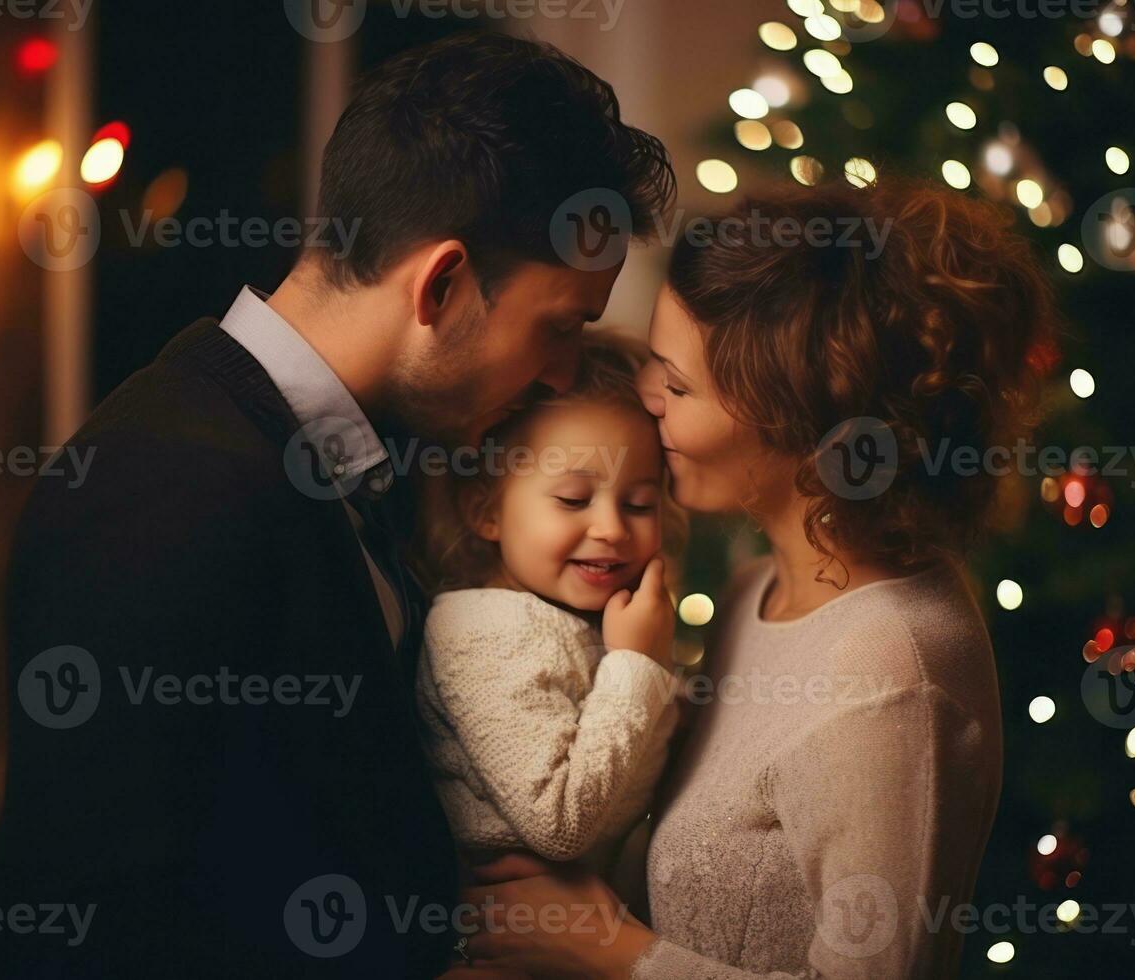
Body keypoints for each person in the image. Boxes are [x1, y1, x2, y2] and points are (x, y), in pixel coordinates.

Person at [1, 31, 673, 979]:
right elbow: (98, 926)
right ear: (440, 284)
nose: (562, 374)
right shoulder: (166, 484)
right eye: (557, 328)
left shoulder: (358, 450)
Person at [450, 178, 1059, 979]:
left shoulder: (890, 676)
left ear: (803, 425)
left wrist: (609, 952)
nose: (646, 397)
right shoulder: (756, 591)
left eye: (677, 385)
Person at [414, 337, 681, 875]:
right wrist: (639, 664)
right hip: (506, 936)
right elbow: (559, 824)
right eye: (573, 500)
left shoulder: (587, 621)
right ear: (486, 511)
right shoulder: (480, 628)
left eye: (638, 504)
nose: (610, 529)